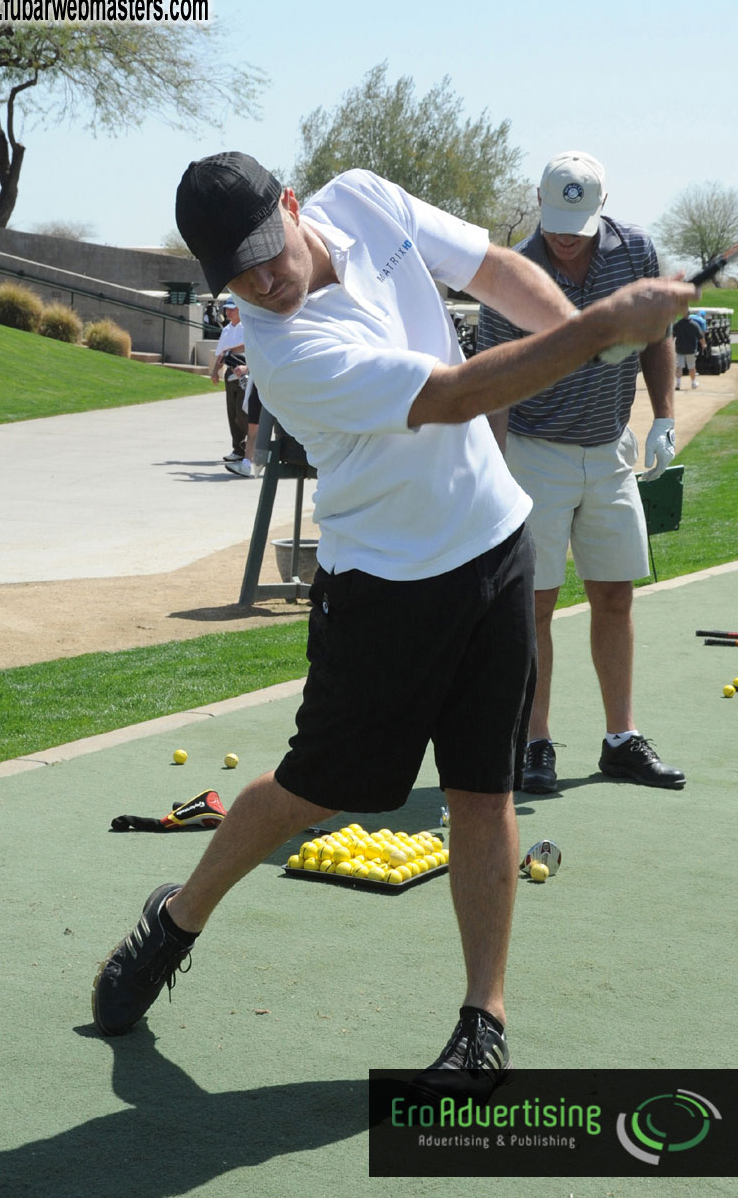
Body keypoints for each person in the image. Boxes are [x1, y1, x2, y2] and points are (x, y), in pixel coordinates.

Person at [92, 151, 692, 1085]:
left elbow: (494, 270)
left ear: (294, 204)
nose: (264, 282)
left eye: (268, 252)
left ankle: (484, 1016)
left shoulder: (367, 200)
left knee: (483, 792)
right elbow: (453, 396)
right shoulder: (284, 354)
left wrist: (583, 334)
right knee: (313, 791)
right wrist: (601, 331)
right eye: (237, 276)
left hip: (498, 544)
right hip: (387, 586)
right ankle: (176, 920)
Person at [476, 150, 686, 796]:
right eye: (558, 223)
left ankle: (621, 739)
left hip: (610, 449)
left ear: (602, 208)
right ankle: (534, 741)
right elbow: (495, 377)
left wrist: (664, 416)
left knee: (615, 593)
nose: (568, 239)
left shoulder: (635, 250)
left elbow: (657, 337)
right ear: (540, 202)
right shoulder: (513, 268)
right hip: (534, 451)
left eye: (580, 226)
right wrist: (496, 468)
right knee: (535, 602)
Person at [210, 298, 249, 470]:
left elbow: (249, 346)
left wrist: (232, 350)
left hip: (244, 371)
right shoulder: (226, 330)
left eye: (232, 309)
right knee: (232, 412)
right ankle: (238, 449)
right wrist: (215, 371)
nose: (228, 312)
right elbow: (221, 353)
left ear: (240, 309)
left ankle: (250, 447)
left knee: (242, 412)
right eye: (226, 309)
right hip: (230, 372)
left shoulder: (246, 327)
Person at [673, 310, 705, 390]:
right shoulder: (694, 324)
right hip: (690, 348)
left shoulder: (677, 324)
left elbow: (672, 336)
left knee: (679, 366)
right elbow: (700, 336)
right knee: (691, 366)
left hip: (680, 348)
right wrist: (703, 345)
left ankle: (678, 383)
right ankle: (693, 383)